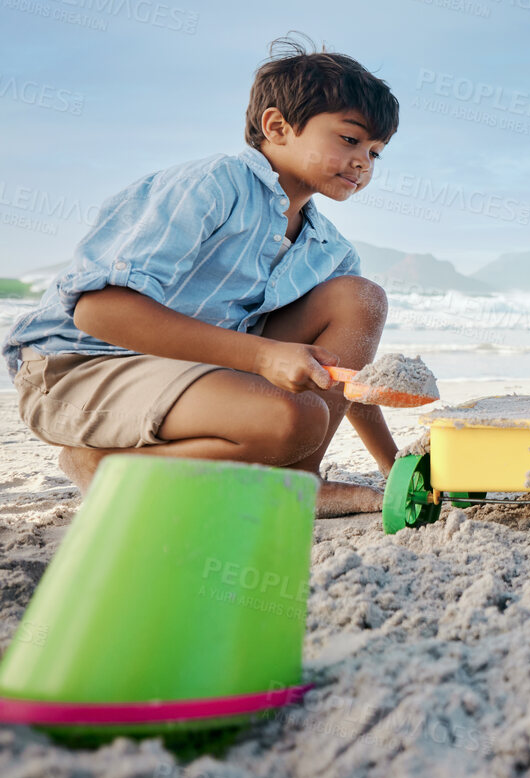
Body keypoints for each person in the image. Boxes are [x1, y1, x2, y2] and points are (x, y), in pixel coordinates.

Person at [4, 37, 403, 516]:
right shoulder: (214, 186)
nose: (364, 161)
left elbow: (340, 374)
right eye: (349, 139)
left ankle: (300, 481)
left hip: (195, 377)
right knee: (293, 417)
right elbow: (98, 310)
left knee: (360, 298)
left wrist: (393, 465)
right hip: (82, 368)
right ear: (276, 126)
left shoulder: (328, 249)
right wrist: (262, 355)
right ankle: (107, 467)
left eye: (377, 152)